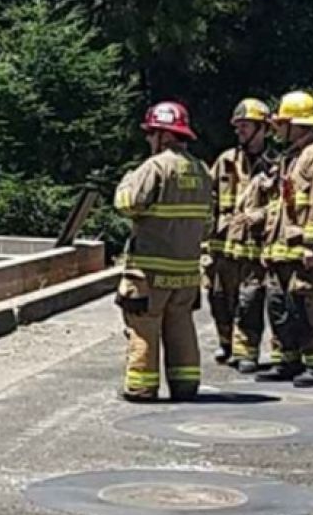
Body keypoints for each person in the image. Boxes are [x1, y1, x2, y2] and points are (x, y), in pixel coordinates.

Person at [114, 101, 214, 402]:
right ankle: (185, 385)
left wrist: (127, 180)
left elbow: (128, 203)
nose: (147, 140)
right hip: (185, 273)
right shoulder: (201, 170)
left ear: (161, 134)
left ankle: (141, 387)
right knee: (180, 327)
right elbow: (207, 223)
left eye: (150, 134)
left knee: (144, 326)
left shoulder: (155, 166)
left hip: (149, 271)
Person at [260, 91, 313, 387]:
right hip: (283, 249)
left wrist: (312, 244)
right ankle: (287, 360)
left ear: (296, 124)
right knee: (280, 305)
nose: (277, 128)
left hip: (305, 249)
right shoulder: (293, 156)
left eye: (281, 123)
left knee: (307, 305)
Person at [207, 98, 275, 373]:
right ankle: (227, 344)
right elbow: (208, 199)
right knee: (219, 297)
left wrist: (261, 216)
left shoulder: (276, 164)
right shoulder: (226, 161)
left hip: (255, 248)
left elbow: (284, 204)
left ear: (263, 129)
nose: (240, 132)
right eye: (238, 127)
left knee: (250, 300)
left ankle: (248, 352)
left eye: (245, 126)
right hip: (223, 247)